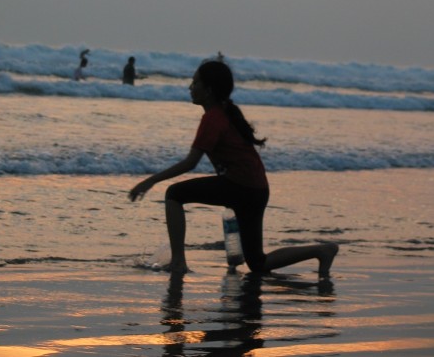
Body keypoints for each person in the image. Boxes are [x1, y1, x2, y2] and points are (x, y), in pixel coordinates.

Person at [129, 60, 338, 276]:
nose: (190, 88)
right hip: (256, 190)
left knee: (174, 194)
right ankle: (322, 250)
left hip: (240, 187)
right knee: (257, 262)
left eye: (195, 83)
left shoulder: (213, 118)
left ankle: (178, 262)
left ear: (208, 90)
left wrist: (150, 180)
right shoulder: (225, 112)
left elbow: (191, 162)